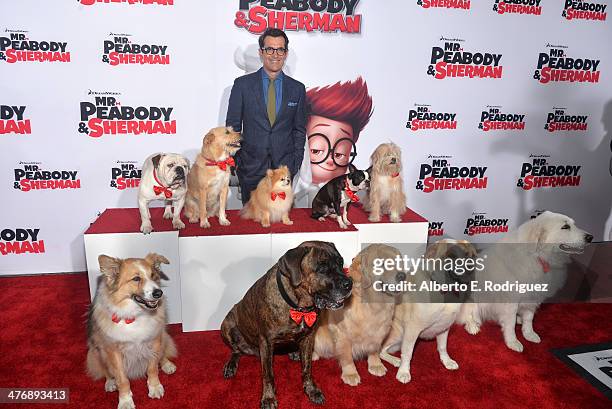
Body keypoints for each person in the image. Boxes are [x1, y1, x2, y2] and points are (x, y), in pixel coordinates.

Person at [226, 28, 306, 204]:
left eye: (280, 49)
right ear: (261, 52)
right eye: (270, 49)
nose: (275, 54)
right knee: (253, 225)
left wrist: (295, 163)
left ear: (286, 53)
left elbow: (299, 130)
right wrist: (238, 161)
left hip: (284, 170)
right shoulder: (242, 85)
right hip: (250, 168)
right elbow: (232, 128)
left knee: (281, 224)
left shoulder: (297, 89)